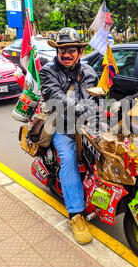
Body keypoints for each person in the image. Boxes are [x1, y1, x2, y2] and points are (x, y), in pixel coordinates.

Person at [39, 27, 98, 245]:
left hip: (88, 124)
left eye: (71, 50)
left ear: (79, 52)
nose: (66, 54)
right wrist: (82, 109)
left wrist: (93, 110)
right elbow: (55, 97)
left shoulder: (89, 72)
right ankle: (76, 215)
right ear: (57, 52)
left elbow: (94, 98)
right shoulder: (47, 71)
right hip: (61, 124)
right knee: (69, 159)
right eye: (62, 50)